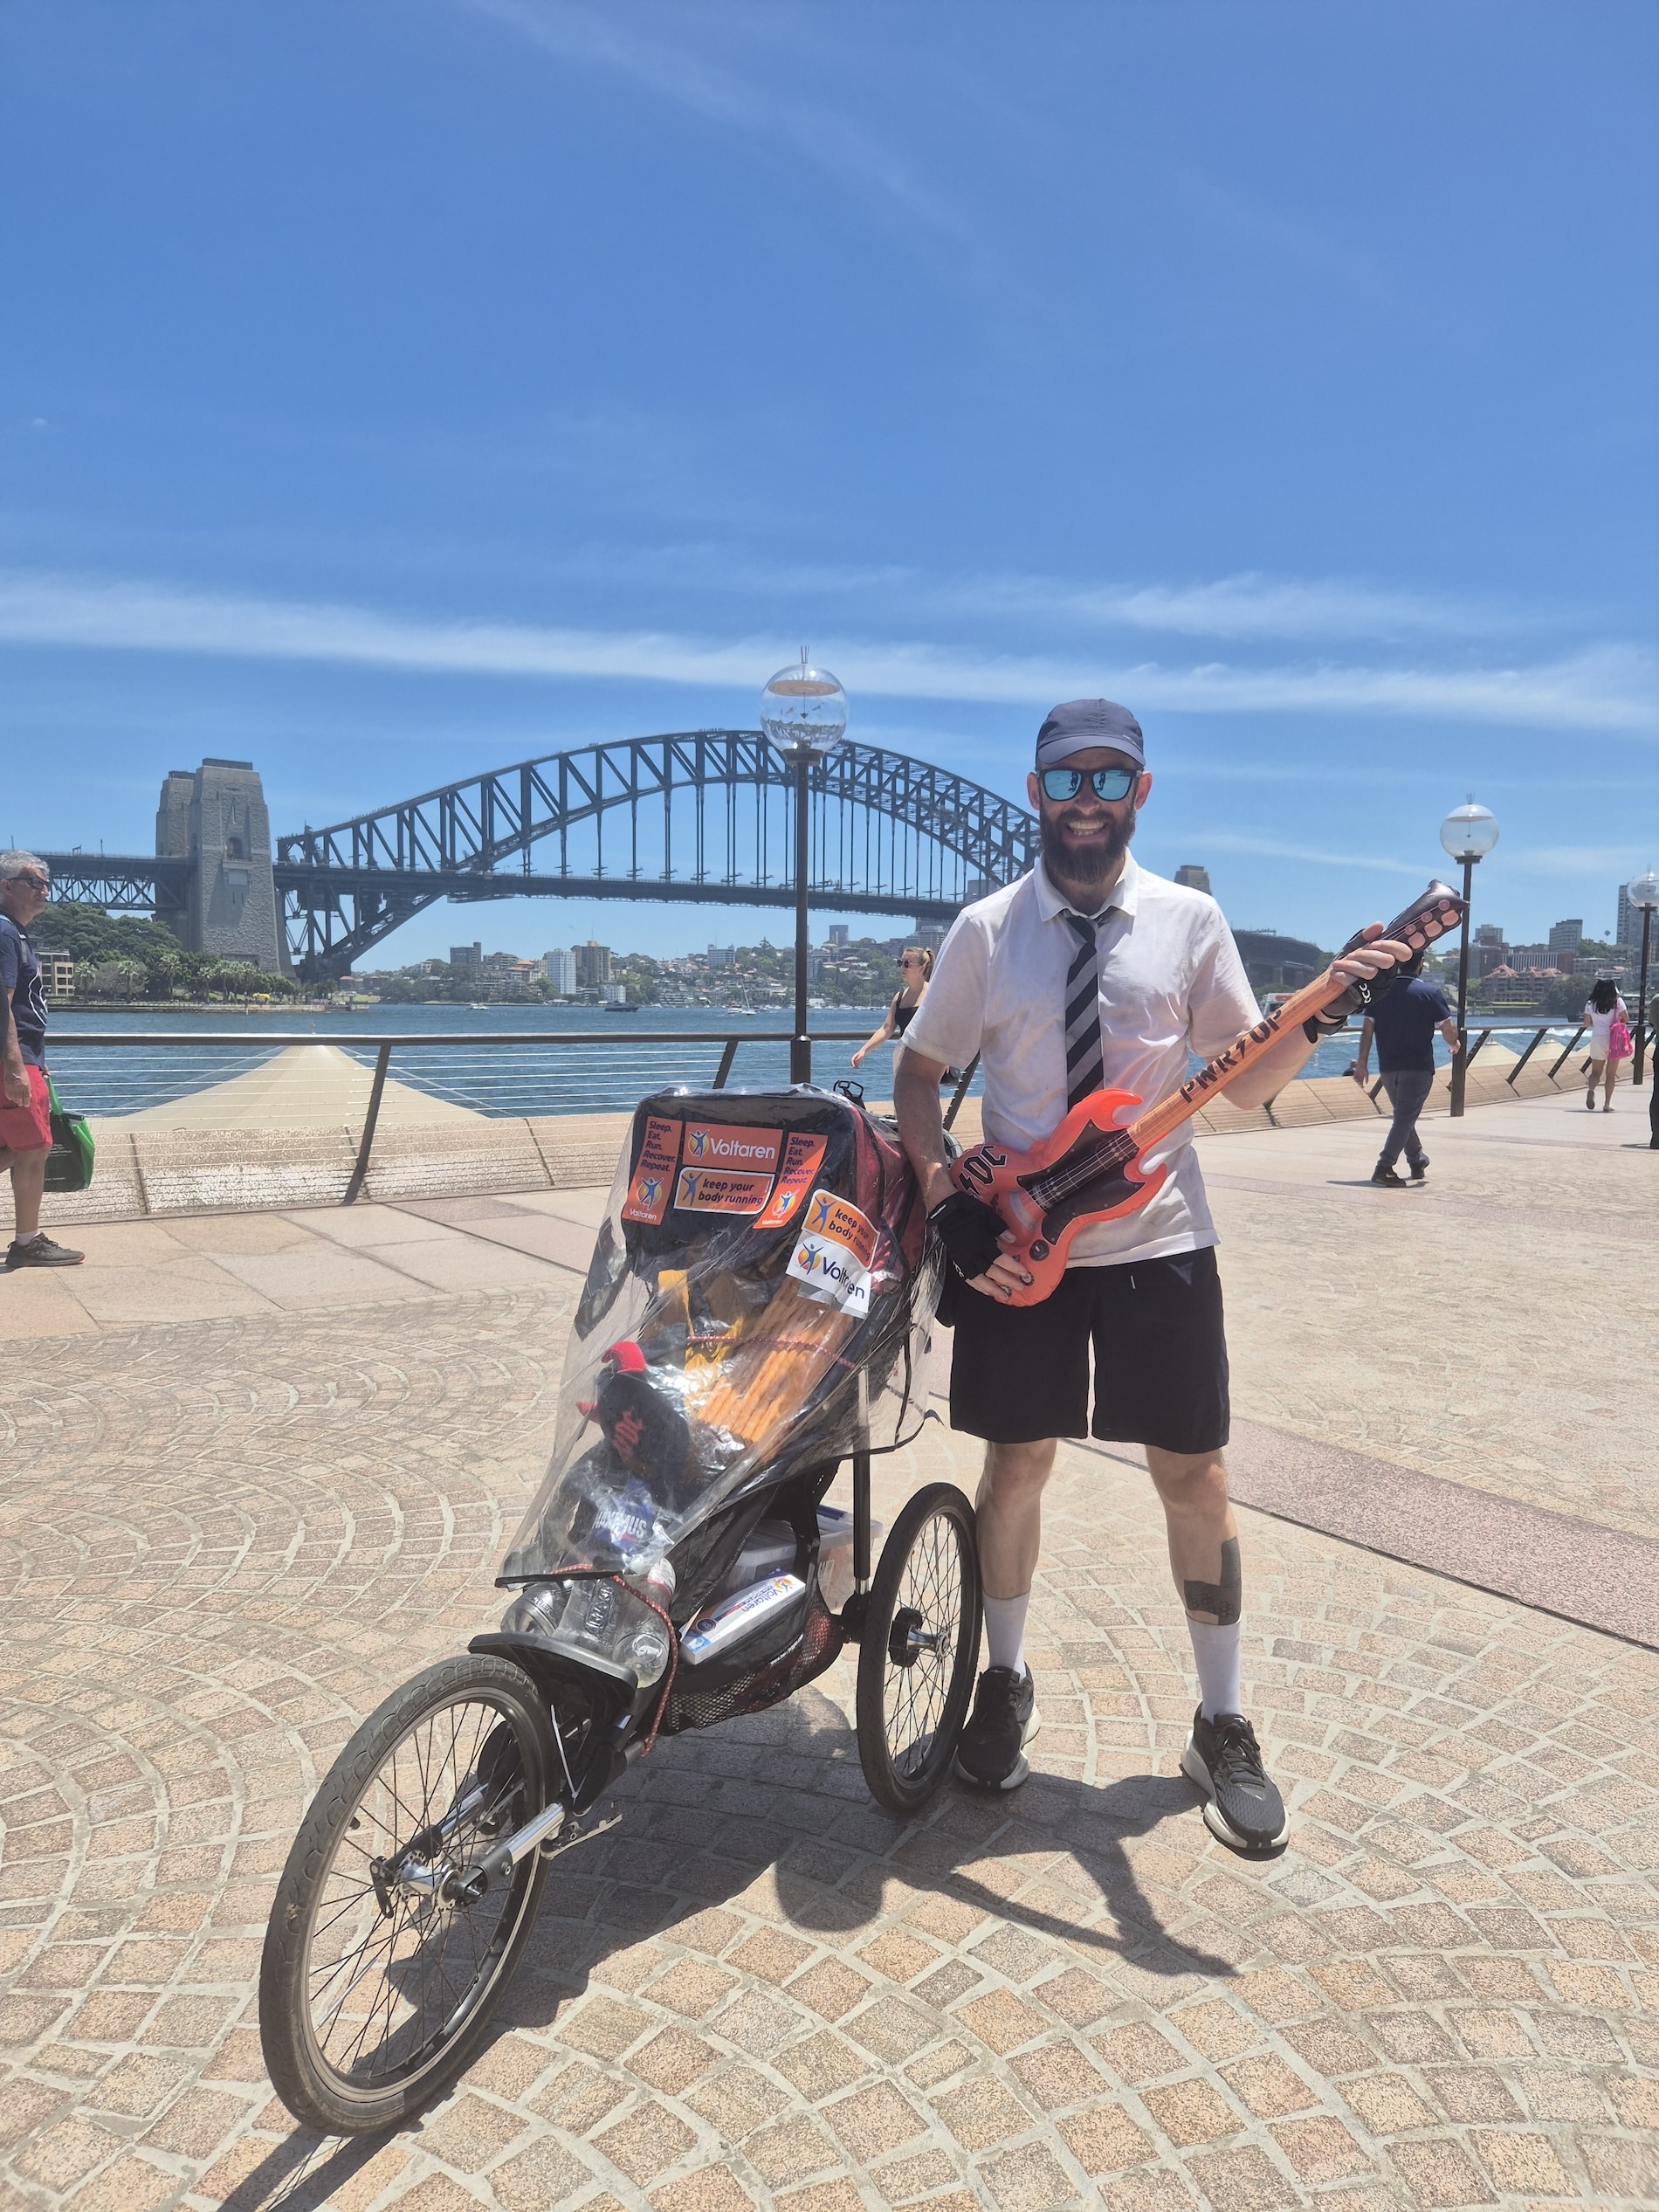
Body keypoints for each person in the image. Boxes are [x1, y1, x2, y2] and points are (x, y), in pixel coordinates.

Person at [893, 699, 1407, 1853]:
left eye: (1111, 780)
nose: (1087, 798)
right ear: (1033, 793)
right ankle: (1007, 1684)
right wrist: (944, 1206)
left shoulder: (1191, 921)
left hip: (1162, 1242)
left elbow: (1245, 1081)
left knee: (1199, 1480)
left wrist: (1328, 1009)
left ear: (1142, 793)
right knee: (1012, 1465)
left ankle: (1221, 1719)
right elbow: (920, 1076)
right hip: (1024, 1249)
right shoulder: (985, 930)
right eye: (1066, 778)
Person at [0, 852, 85, 1269]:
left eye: (45, 883)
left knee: (16, 1145)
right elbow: (4, 1004)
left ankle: (27, 1240)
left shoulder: (14, 933)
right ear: (6, 886)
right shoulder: (5, 933)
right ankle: (27, 1243)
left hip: (26, 1057)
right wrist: (17, 1065)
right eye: (33, 882)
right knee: (35, 1146)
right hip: (13, 1061)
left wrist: (39, 1060)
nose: (43, 890)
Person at [1351, 947, 1457, 1183]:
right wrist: (1456, 1043)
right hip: (1417, 1067)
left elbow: (1367, 1030)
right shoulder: (1430, 993)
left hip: (1388, 1067)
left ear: (1397, 965)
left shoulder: (1379, 994)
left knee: (1403, 1116)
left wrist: (1362, 1064)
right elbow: (1447, 1030)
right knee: (1404, 1118)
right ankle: (1384, 1168)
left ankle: (1417, 1158)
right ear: (1420, 965)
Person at [850, 948, 933, 1071]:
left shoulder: (933, 994)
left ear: (922, 968)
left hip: (929, 1059)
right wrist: (864, 1050)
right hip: (905, 1057)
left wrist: (945, 1058)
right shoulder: (899, 997)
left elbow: (945, 1026)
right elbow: (886, 1029)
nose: (902, 968)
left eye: (907, 964)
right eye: (900, 963)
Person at [1582, 976, 1628, 1113]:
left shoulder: (1591, 1004)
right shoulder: (1618, 1002)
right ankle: (1607, 1104)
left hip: (1597, 1038)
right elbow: (1626, 1019)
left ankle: (1591, 1089)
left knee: (1595, 1072)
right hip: (1613, 1040)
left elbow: (1586, 1023)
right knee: (1611, 1074)